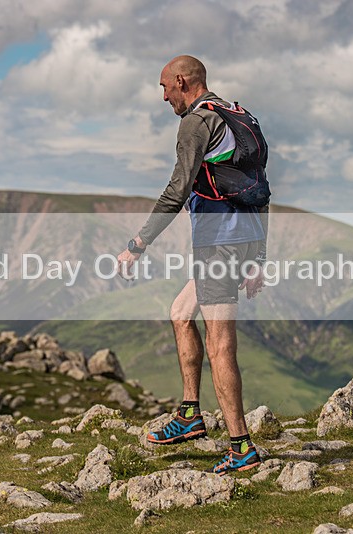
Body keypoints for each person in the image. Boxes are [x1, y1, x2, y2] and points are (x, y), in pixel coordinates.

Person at [116, 55, 269, 475]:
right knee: (181, 314)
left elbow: (177, 188)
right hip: (238, 240)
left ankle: (241, 446)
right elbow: (261, 191)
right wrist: (258, 257)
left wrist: (138, 243)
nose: (164, 97)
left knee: (220, 345)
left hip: (219, 242)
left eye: (165, 87)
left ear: (182, 81)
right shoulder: (240, 115)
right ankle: (189, 415)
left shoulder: (197, 122)